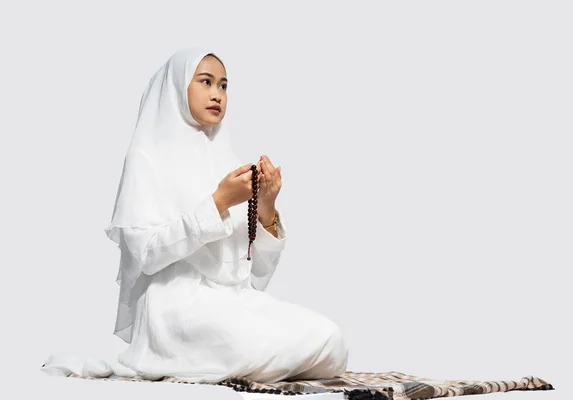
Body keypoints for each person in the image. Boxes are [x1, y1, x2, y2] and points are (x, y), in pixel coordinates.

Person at [41, 46, 349, 383]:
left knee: (331, 340)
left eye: (224, 86)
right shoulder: (148, 157)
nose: (217, 94)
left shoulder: (226, 158)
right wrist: (218, 202)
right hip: (175, 308)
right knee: (263, 345)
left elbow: (255, 275)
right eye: (206, 82)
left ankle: (243, 357)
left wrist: (266, 208)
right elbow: (144, 256)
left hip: (233, 303)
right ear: (177, 87)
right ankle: (193, 358)